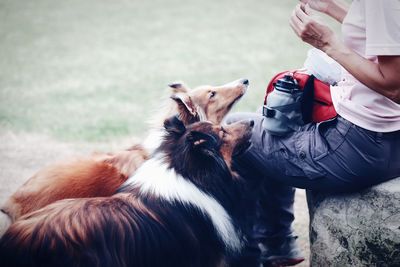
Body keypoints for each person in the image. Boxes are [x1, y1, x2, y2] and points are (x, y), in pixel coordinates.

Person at [228, 0, 400, 266]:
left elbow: (394, 87)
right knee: (281, 125)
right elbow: (385, 33)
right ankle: (276, 243)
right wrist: (332, 8)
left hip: (362, 145)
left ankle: (256, 252)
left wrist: (327, 43)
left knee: (236, 131)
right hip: (389, 140)